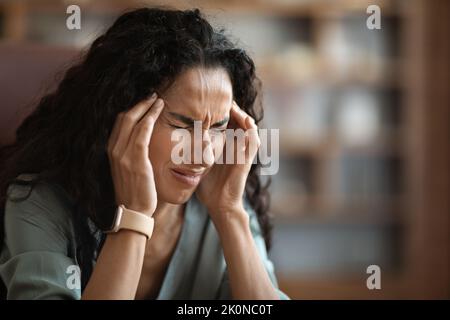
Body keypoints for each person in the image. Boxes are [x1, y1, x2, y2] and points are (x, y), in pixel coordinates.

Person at [0, 7, 289, 300]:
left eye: (219, 127)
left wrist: (229, 212)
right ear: (122, 116)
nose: (203, 155)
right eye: (182, 124)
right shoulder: (40, 203)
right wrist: (134, 217)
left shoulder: (221, 198)